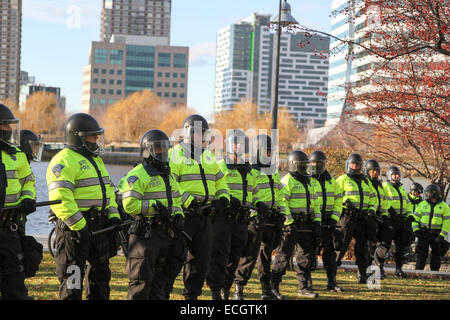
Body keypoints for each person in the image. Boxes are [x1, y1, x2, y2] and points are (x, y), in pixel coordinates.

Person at [46, 113, 121, 300]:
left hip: (99, 228)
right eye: (92, 136)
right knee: (72, 282)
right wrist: (80, 226)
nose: (96, 140)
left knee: (100, 281)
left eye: (97, 136)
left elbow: (109, 191)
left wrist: (114, 215)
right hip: (74, 232)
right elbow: (61, 198)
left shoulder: (95, 159)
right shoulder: (62, 161)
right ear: (78, 137)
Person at [163, 114, 230, 300]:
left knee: (200, 261)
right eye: (198, 133)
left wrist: (223, 198)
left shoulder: (208, 156)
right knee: (174, 258)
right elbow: (170, 183)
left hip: (206, 216)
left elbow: (221, 180)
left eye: (204, 133)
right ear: (187, 133)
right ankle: (162, 293)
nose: (201, 137)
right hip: (184, 215)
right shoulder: (174, 155)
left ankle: (192, 298)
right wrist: (187, 200)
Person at [119, 129, 185, 300]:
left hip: (165, 234)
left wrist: (178, 215)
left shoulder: (167, 175)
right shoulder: (137, 175)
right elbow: (129, 204)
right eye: (157, 148)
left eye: (164, 147)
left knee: (160, 285)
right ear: (147, 150)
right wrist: (154, 208)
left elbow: (176, 200)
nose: (162, 152)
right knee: (140, 284)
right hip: (145, 236)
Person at [233, 134, 287, 300]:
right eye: (267, 151)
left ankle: (265, 290)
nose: (269, 155)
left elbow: (280, 193)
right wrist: (256, 212)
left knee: (265, 257)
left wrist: (281, 212)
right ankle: (238, 289)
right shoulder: (251, 171)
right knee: (249, 255)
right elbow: (249, 194)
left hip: (272, 219)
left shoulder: (273, 171)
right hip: (255, 219)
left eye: (271, 152)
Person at [206, 129, 257, 300]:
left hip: (242, 220)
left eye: (242, 142)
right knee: (219, 256)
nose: (238, 145)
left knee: (235, 258)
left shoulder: (249, 170)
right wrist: (226, 201)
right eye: (235, 142)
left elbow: (254, 193)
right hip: (223, 219)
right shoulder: (219, 166)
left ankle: (226, 290)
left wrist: (259, 205)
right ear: (228, 144)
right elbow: (213, 191)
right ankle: (216, 292)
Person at [271, 150, 321, 299]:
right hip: (292, 224)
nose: (305, 168)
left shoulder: (309, 181)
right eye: (302, 165)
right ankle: (273, 287)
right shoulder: (288, 180)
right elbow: (282, 202)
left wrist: (317, 221)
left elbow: (316, 204)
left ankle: (304, 287)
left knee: (305, 256)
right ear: (294, 165)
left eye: (306, 165)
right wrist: (288, 221)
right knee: (283, 256)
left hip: (307, 223)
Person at [0, 103, 36, 299]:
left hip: (10, 230)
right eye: (4, 125)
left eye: (9, 126)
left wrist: (27, 199)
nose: (8, 130)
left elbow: (29, 183)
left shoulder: (18, 156)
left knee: (15, 287)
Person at [336, 153, 377, 284]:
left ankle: (362, 274)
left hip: (362, 219)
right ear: (348, 164)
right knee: (340, 245)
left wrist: (371, 209)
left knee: (363, 248)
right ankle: (331, 275)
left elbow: (373, 197)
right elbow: (334, 195)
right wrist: (344, 201)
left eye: (357, 164)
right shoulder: (342, 179)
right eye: (353, 164)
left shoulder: (366, 181)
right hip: (347, 218)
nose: (355, 166)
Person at [309, 150, 343, 292]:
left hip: (328, 221)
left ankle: (331, 282)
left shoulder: (332, 181)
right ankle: (306, 283)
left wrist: (334, 219)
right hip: (312, 222)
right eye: (315, 163)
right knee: (309, 253)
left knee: (329, 254)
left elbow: (338, 200)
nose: (317, 165)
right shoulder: (307, 179)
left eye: (320, 163)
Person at [374, 166, 414, 278]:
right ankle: (379, 269)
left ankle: (398, 269)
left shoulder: (402, 189)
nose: (396, 177)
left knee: (400, 246)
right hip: (389, 220)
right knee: (384, 245)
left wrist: (410, 215)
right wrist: (389, 209)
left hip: (401, 221)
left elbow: (408, 203)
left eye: (398, 175)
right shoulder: (384, 186)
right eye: (394, 175)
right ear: (389, 176)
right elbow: (381, 199)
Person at [412, 184, 449, 271]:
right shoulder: (422, 204)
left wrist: (442, 235)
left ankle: (435, 273)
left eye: (428, 193)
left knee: (436, 254)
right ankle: (418, 272)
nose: (426, 195)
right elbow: (415, 218)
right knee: (421, 253)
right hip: (424, 233)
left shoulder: (444, 207)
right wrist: (416, 230)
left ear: (434, 194)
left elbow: (447, 222)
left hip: (437, 234)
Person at [363, 159, 389, 277]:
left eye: (377, 171)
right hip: (369, 216)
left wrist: (385, 215)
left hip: (380, 217)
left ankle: (379, 267)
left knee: (385, 242)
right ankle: (368, 271)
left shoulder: (380, 186)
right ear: (367, 171)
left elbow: (383, 202)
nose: (375, 173)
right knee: (370, 245)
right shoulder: (365, 183)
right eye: (372, 171)